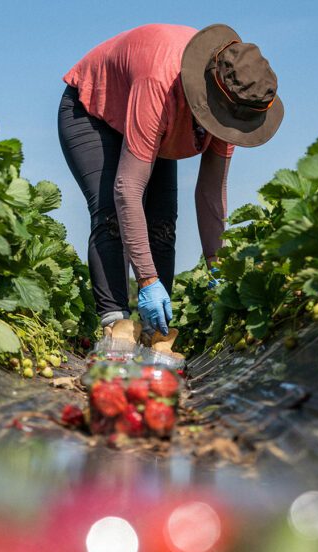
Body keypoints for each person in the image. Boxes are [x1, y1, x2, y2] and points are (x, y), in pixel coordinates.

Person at [57, 23, 284, 339]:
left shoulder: (234, 102)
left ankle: (154, 332)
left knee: (162, 225)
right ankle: (115, 326)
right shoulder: (160, 82)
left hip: (159, 117)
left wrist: (217, 264)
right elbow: (128, 188)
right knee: (111, 210)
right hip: (93, 111)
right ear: (212, 100)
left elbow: (210, 191)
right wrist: (148, 282)